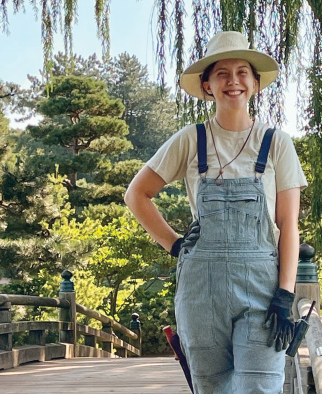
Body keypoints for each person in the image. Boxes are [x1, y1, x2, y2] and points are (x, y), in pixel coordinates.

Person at [125, 31, 308, 394]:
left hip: (262, 290)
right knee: (211, 389)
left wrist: (285, 295)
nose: (233, 81)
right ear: (207, 85)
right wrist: (175, 244)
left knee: (260, 387)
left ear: (255, 83)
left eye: (243, 72)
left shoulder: (276, 144)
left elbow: (289, 226)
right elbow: (137, 195)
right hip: (200, 292)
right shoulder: (190, 140)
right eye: (222, 73)